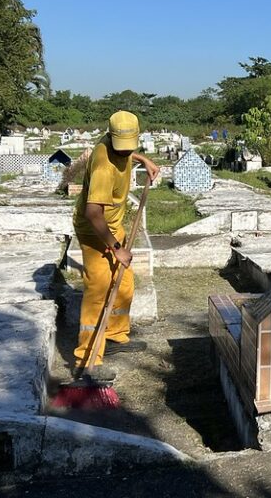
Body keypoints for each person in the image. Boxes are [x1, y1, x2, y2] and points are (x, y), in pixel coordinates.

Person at [72, 110, 159, 380]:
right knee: (98, 289)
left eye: (129, 147)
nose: (125, 152)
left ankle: (114, 335)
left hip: (112, 226)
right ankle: (86, 358)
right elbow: (92, 214)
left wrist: (143, 160)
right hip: (95, 231)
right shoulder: (103, 168)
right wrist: (116, 248)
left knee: (124, 283)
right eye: (121, 148)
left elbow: (125, 153)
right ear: (110, 138)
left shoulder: (114, 143)